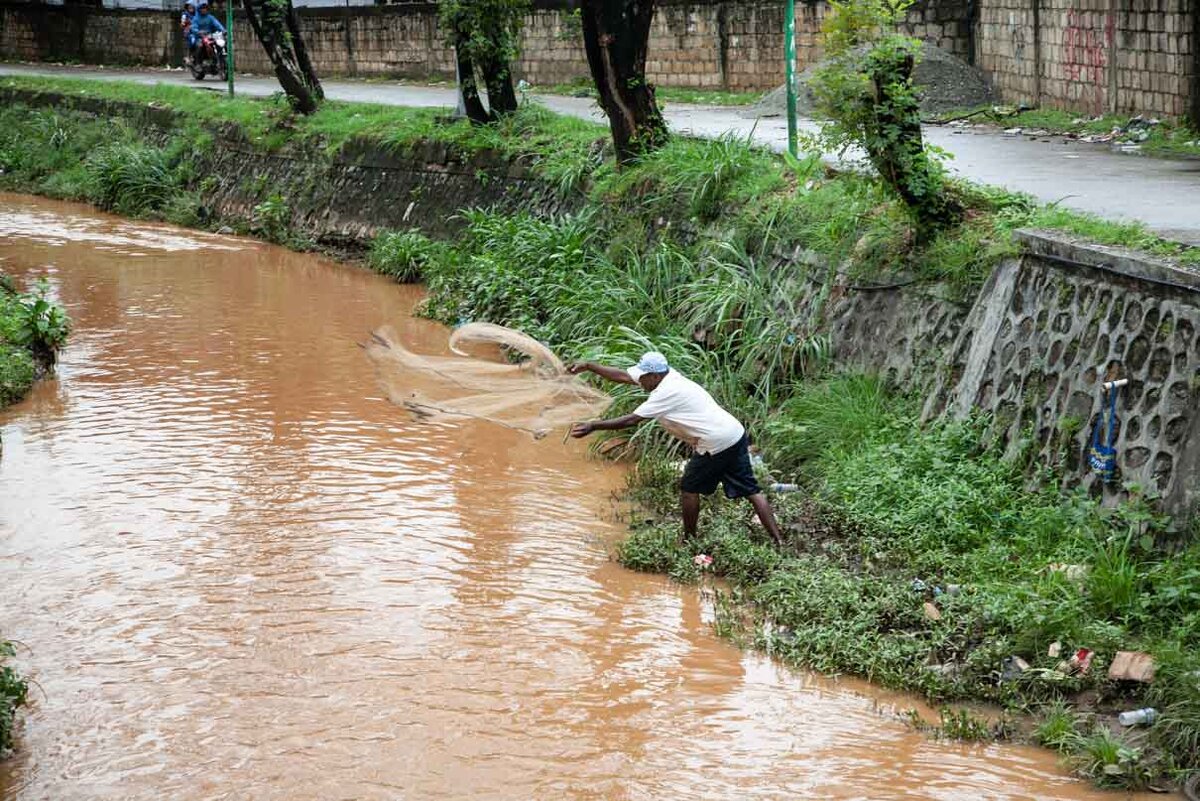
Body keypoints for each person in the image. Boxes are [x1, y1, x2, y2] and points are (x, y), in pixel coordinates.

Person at [570, 352, 784, 546]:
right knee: (752, 490)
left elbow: (631, 420)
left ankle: (689, 540)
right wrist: (589, 366)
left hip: (715, 442)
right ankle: (779, 541)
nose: (639, 381)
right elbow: (624, 376)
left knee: (689, 488)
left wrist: (593, 425)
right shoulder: (669, 375)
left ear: (654, 376)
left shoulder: (666, 392)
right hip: (734, 434)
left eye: (643, 377)